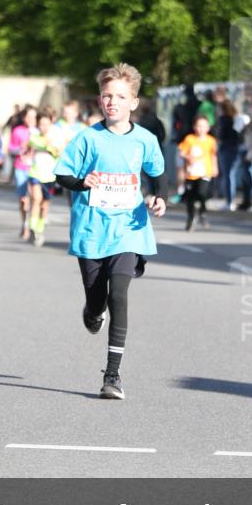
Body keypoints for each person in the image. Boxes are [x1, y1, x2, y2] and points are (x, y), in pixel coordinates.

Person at [55, 63, 166, 400]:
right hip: (91, 230)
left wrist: (158, 197)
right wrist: (82, 182)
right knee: (97, 299)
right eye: (106, 96)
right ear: (99, 100)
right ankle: (92, 311)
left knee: (119, 293)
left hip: (128, 229)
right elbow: (62, 175)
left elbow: (157, 175)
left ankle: (112, 376)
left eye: (120, 96)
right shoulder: (88, 138)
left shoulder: (144, 140)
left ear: (134, 102)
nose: (112, 102)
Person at [27, 108, 61, 247]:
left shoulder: (56, 138)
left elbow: (59, 153)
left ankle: (39, 229)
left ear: (51, 124)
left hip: (50, 176)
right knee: (36, 199)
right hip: (35, 173)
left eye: (47, 124)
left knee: (44, 205)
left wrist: (52, 147)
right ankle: (32, 227)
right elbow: (30, 146)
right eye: (41, 124)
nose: (44, 127)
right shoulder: (34, 137)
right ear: (37, 125)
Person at [178, 114, 218, 230]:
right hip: (192, 173)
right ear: (194, 127)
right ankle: (191, 218)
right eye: (199, 126)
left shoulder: (211, 140)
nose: (201, 129)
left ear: (208, 127)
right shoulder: (190, 139)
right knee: (190, 197)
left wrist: (215, 167)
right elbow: (181, 152)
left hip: (205, 171)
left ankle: (202, 213)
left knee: (202, 193)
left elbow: (213, 155)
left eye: (204, 126)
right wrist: (188, 157)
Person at [9, 105, 37, 239]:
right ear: (23, 117)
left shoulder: (39, 130)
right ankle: (25, 223)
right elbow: (11, 149)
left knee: (34, 197)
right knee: (23, 199)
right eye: (28, 117)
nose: (31, 119)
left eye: (33, 117)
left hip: (36, 168)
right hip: (21, 167)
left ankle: (32, 225)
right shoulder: (18, 131)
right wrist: (21, 148)